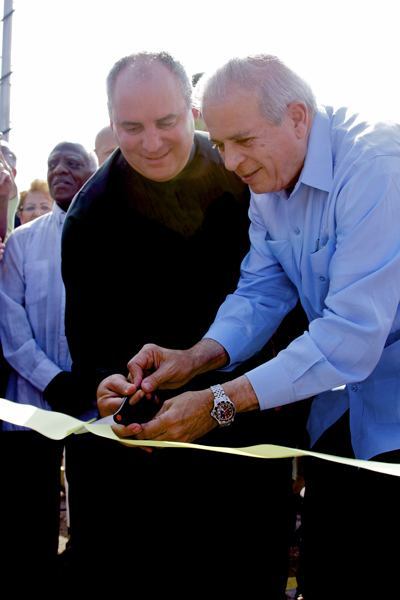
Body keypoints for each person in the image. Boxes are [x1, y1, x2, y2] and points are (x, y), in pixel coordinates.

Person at [119, 55, 400, 600]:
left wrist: (218, 402)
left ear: (298, 117)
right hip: (350, 412)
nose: (229, 163)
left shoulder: (377, 170)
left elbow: (348, 336)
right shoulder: (270, 178)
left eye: (242, 141)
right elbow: (262, 289)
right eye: (220, 144)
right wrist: (195, 357)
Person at [61, 51, 309, 597]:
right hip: (144, 458)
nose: (151, 143)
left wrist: (286, 425)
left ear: (191, 111)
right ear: (111, 120)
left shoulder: (246, 178)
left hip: (246, 444)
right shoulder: (88, 217)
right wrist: (110, 387)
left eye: (167, 123)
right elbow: (90, 346)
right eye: (131, 127)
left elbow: (289, 305)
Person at [0, 141, 96, 585]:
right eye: (53, 163)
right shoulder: (23, 243)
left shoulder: (115, 235)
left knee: (97, 513)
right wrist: (51, 379)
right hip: (32, 406)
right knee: (29, 518)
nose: (60, 170)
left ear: (94, 172)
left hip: (97, 405)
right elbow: (10, 325)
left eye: (72, 163)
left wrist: (90, 383)